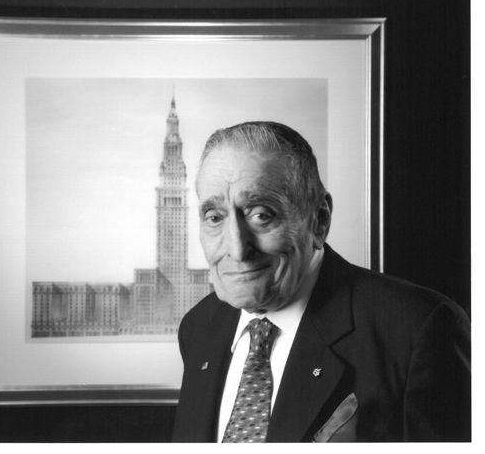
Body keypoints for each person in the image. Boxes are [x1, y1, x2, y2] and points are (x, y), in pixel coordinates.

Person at [172, 121, 470, 442]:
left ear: (319, 221)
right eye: (215, 218)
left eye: (261, 214)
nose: (236, 249)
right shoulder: (198, 328)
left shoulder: (419, 330)